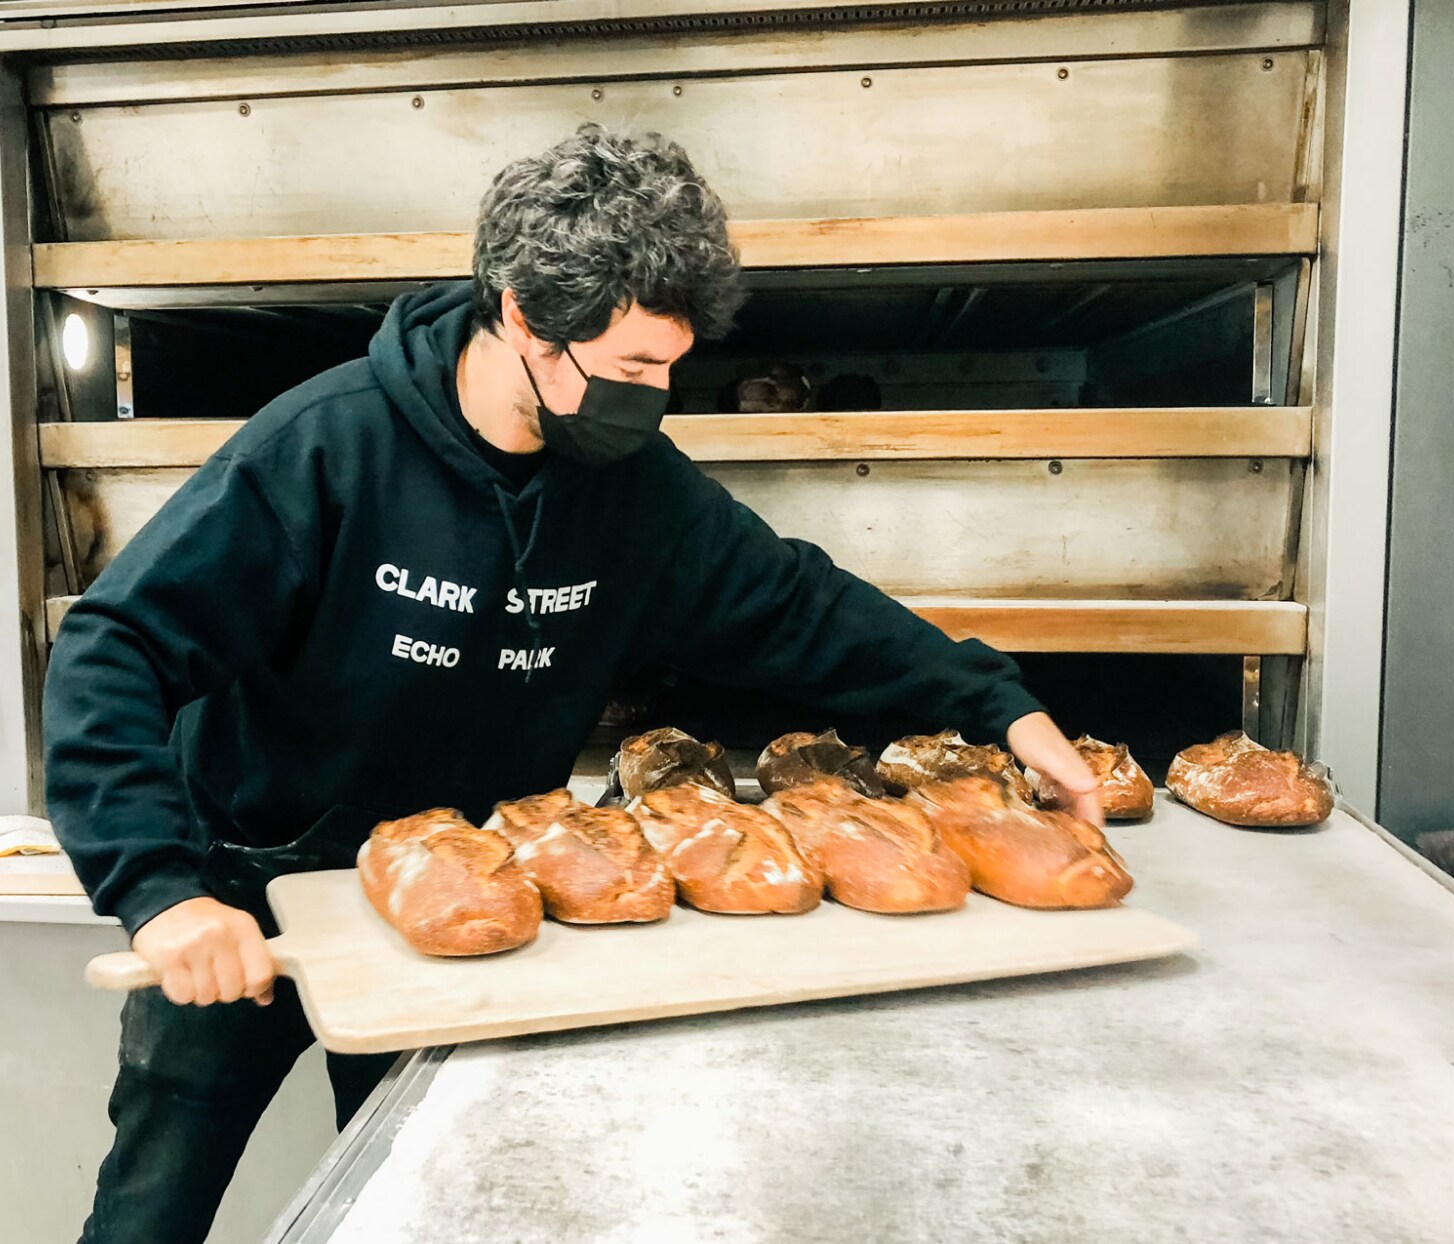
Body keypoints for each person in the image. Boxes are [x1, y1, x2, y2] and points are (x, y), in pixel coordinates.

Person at [44, 124, 1100, 1244]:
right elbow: (115, 647)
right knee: (154, 1201)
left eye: (670, 366)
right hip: (244, 884)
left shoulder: (632, 489)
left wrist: (998, 703)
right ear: (520, 314)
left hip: (463, 893)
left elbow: (797, 606)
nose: (654, 396)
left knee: (416, 1198)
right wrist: (160, 890)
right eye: (632, 368)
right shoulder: (324, 448)